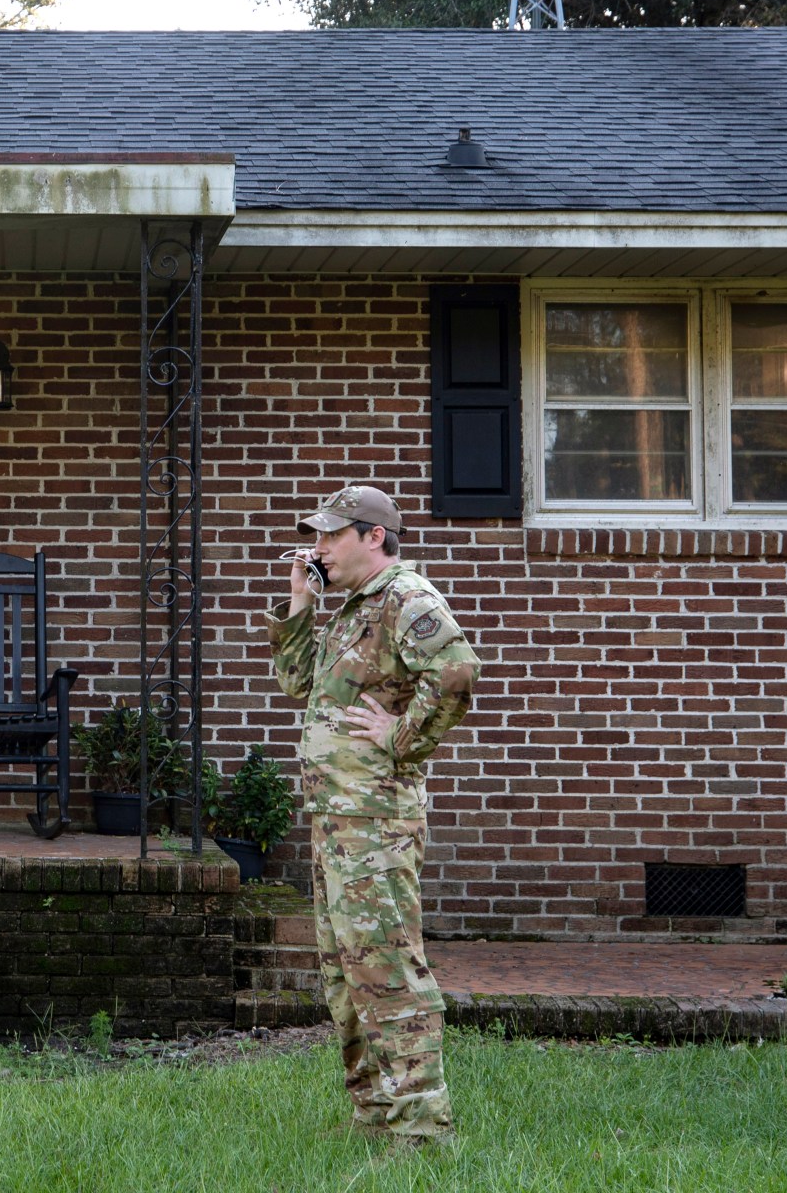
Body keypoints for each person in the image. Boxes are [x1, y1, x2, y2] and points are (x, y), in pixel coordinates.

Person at [267, 485, 481, 1153]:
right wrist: (302, 604)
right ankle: (376, 1116)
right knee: (345, 975)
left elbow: (457, 671)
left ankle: (421, 1130)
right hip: (336, 821)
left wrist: (400, 737)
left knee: (387, 971)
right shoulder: (354, 606)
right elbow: (296, 684)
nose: (319, 546)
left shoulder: (405, 598)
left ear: (374, 537)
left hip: (375, 824)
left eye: (332, 535)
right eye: (317, 535)